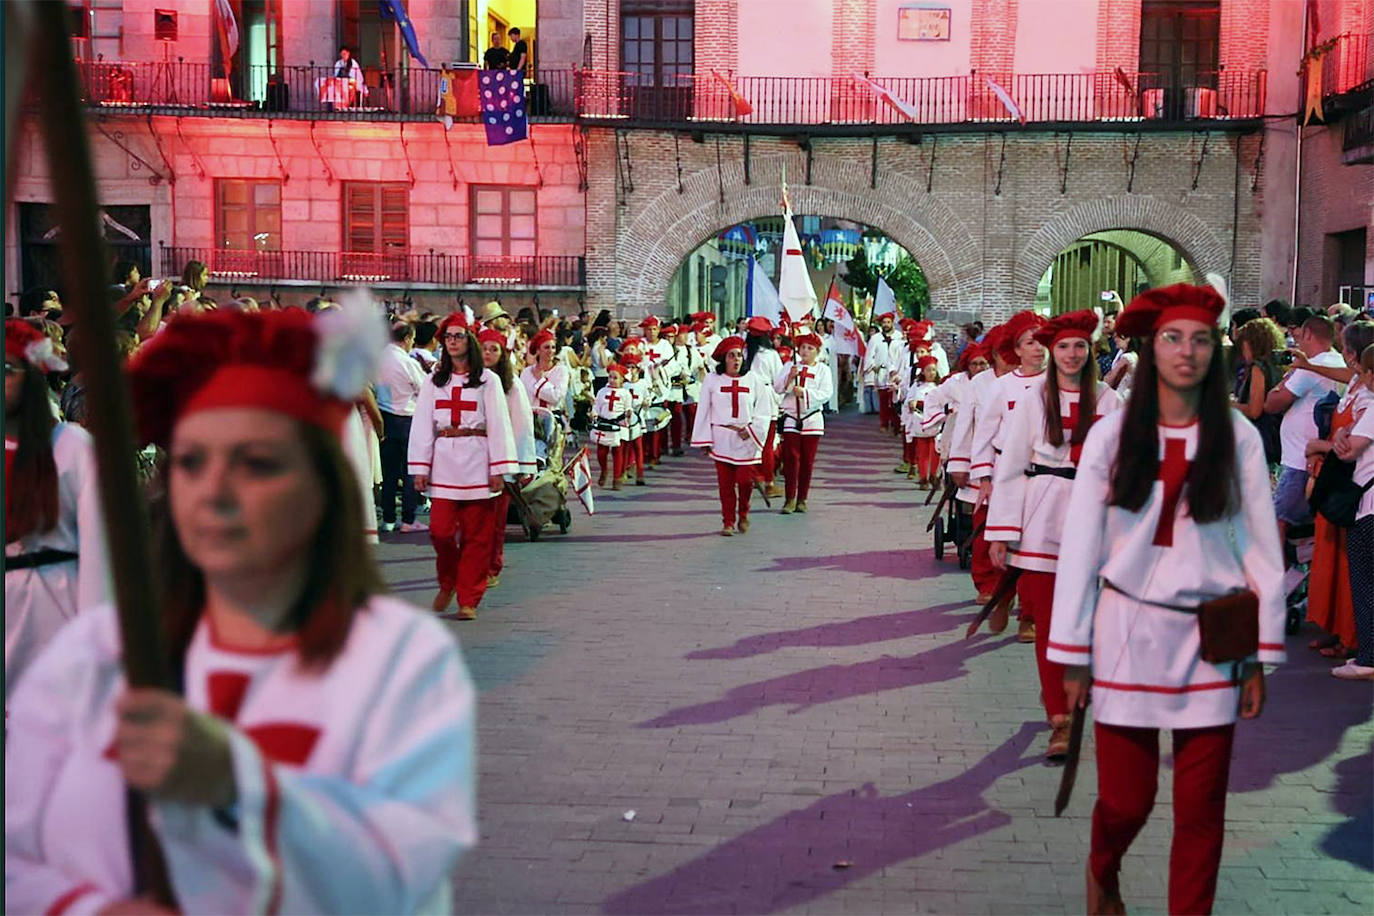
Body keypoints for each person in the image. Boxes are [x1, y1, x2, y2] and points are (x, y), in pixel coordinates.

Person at [7, 306, 477, 913]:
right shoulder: (90, 658)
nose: (215, 491)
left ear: (320, 486)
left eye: (256, 462)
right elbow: (18, 857)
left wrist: (240, 787)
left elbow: (402, 872)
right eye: (193, 461)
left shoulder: (400, 663)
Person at [1049, 284, 1285, 916]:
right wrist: (1071, 655)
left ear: (1217, 351)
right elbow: (1080, 549)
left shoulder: (1236, 437)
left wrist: (1259, 652)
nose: (1187, 352)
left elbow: (1264, 550)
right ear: (1150, 350)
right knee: (1128, 801)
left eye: (1201, 340)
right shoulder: (1112, 435)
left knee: (1202, 810)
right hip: (1127, 628)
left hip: (1212, 640)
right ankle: (1104, 866)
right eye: (1173, 339)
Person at [985, 310, 1120, 760]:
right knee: (1046, 624)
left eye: (1079, 345)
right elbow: (1010, 466)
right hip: (1041, 517)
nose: (1071, 353)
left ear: (1090, 350)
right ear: (1052, 351)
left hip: (1091, 519)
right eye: (1063, 346)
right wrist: (1002, 532)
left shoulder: (1108, 401)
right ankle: (1059, 719)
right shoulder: (1032, 402)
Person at [4, 320, 109, 700]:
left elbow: (100, 548)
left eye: (7, 370)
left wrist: (94, 640)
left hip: (58, 604)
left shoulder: (72, 445)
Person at [409, 314, 517, 621]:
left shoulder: (489, 381)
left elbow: (499, 424)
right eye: (448, 337)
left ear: (468, 340)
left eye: (458, 335)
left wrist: (499, 467)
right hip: (444, 462)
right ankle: (449, 581)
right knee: (440, 532)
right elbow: (421, 426)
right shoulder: (433, 380)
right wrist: (420, 466)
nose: (453, 341)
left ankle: (469, 597)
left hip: (478, 462)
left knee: (478, 537)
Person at [970, 310, 1048, 640]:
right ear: (1016, 349)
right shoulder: (1001, 388)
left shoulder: (1057, 386)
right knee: (1006, 545)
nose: (1038, 349)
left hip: (1044, 478)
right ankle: (1003, 596)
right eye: (1031, 343)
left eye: (1043, 342)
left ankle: (1028, 616)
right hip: (1007, 475)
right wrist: (984, 479)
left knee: (1036, 549)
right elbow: (985, 435)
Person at [1299, 321, 1374, 660]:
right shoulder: (1358, 382)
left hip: (1353, 489)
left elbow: (1351, 446)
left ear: (1353, 353)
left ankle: (1353, 637)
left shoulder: (1368, 395)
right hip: (1341, 485)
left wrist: (1319, 445)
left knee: (1351, 569)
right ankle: (1335, 627)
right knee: (1332, 560)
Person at [1263, 315, 1346, 546]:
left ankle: (1279, 577)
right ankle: (1301, 574)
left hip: (1301, 460)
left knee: (1279, 522)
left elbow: (1273, 404)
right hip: (1315, 458)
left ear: (1308, 334)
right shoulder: (1336, 361)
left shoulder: (1311, 366)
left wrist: (1285, 379)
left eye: (1299, 336)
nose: (1297, 342)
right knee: (1304, 526)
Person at [692, 336, 771, 536]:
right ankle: (728, 521)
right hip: (721, 438)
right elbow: (704, 409)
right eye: (731, 356)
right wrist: (704, 439)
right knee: (725, 485)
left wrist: (753, 430)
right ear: (724, 359)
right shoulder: (712, 379)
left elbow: (763, 410)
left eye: (739, 355)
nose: (736, 360)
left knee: (745, 482)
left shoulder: (753, 379)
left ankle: (743, 513)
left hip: (745, 438)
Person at [1329, 344, 1374, 680]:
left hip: (1369, 506)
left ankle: (1368, 658)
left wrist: (1343, 434)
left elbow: (1347, 452)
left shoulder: (1372, 408)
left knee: (1364, 582)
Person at [478, 328, 536, 590]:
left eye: (494, 349)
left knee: (496, 520)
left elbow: (522, 424)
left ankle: (492, 566)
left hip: (501, 461)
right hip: (471, 460)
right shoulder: (468, 380)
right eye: (483, 348)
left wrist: (522, 463)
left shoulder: (512, 386)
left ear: (502, 355)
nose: (488, 354)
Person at [375, 321, 428, 534]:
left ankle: (388, 518)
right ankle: (408, 519)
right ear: (406, 339)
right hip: (407, 419)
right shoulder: (407, 362)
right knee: (409, 472)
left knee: (389, 473)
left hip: (385, 417)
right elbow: (424, 388)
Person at [774, 331, 834, 514]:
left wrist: (806, 394)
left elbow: (826, 393)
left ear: (817, 351)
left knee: (807, 461)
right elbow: (777, 388)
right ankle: (789, 498)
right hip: (792, 418)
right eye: (803, 348)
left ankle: (802, 498)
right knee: (791, 459)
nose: (806, 351)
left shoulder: (823, 370)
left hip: (812, 419)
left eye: (810, 348)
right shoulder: (790, 366)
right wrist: (789, 379)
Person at [1229, 317, 1285, 466]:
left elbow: (1255, 410)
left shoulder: (1259, 368)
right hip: (1277, 435)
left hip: (1261, 436)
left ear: (1251, 343)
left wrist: (1229, 404)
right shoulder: (1278, 365)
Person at [743, 317, 784, 499]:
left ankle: (752, 475)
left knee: (749, 439)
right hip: (766, 398)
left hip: (747, 397)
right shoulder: (771, 355)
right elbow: (780, 379)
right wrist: (780, 400)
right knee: (768, 443)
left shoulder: (744, 353)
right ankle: (769, 482)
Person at [901, 355, 944, 488]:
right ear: (923, 372)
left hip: (936, 423)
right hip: (920, 422)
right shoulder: (917, 385)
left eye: (933, 370)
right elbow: (909, 399)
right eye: (929, 370)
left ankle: (933, 475)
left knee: (936, 450)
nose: (931, 373)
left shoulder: (940, 386)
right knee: (922, 452)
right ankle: (923, 477)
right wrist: (912, 403)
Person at [591, 362, 631, 489]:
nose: (612, 380)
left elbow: (628, 407)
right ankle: (604, 470)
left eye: (615, 378)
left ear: (622, 380)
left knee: (617, 452)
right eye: (610, 377)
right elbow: (597, 405)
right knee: (601, 452)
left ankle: (617, 478)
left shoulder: (625, 393)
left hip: (618, 425)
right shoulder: (602, 391)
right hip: (604, 423)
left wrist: (628, 413)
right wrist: (594, 412)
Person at [863, 312, 896, 428]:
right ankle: (884, 423)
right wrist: (872, 366)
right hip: (881, 372)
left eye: (888, 322)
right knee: (883, 400)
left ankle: (895, 423)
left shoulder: (899, 337)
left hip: (895, 373)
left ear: (892, 323)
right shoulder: (875, 338)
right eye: (884, 323)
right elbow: (869, 355)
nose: (886, 325)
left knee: (894, 400)